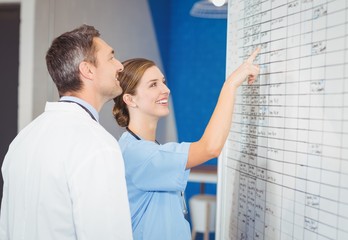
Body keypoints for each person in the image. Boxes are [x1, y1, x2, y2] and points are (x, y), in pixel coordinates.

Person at [0, 24, 133, 240]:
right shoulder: (97, 144)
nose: (120, 66)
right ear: (87, 70)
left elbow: (5, 229)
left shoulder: (22, 140)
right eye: (111, 57)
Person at [112, 48, 260, 239]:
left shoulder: (140, 146)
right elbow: (210, 147)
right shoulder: (137, 154)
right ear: (130, 99)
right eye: (153, 85)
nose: (166, 89)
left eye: (163, 82)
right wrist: (230, 85)